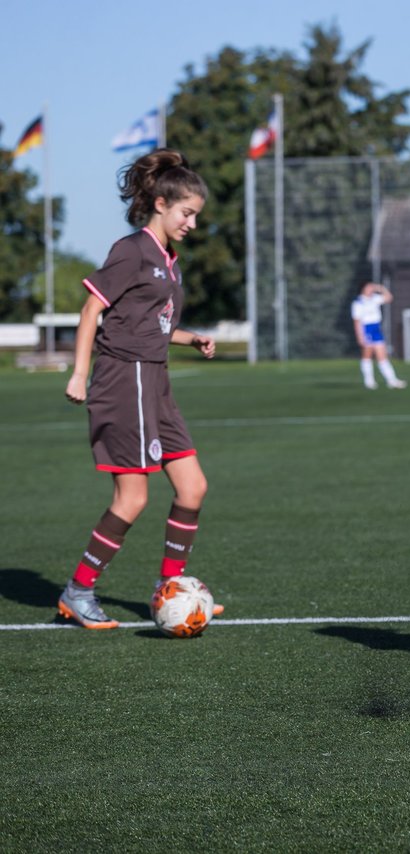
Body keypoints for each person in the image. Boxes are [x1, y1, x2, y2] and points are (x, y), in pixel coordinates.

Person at [58, 149, 222, 628]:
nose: (192, 223)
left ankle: (169, 585)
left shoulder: (169, 262)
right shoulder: (132, 251)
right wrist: (78, 373)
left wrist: (191, 338)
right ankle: (78, 591)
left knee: (192, 487)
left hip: (155, 379)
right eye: (186, 213)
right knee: (133, 499)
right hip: (122, 378)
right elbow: (92, 312)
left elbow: (149, 324)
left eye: (195, 215)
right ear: (159, 204)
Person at [351, 282, 407, 389]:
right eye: (368, 287)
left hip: (376, 328)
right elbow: (357, 321)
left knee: (382, 356)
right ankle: (369, 381)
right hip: (366, 329)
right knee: (367, 355)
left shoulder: (374, 298)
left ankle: (391, 380)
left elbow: (389, 298)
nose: (370, 289)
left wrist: (380, 288)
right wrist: (360, 336)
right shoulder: (358, 302)